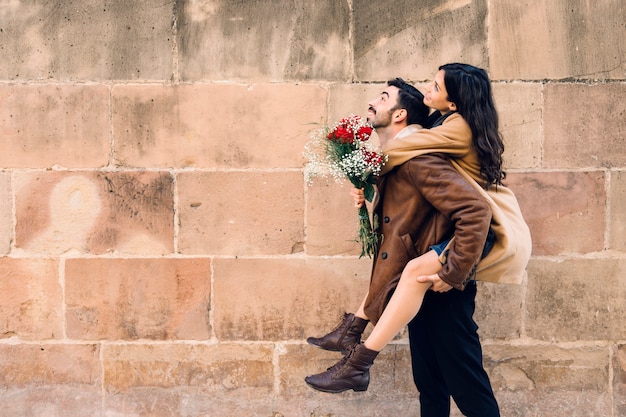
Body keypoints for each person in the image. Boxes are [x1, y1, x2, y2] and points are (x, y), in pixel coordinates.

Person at [306, 65, 531, 417]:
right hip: (436, 268)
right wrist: (367, 188)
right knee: (429, 380)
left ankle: (359, 362)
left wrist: (453, 273)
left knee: (467, 384)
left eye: (436, 85)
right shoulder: (439, 129)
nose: (429, 87)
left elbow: (471, 210)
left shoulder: (436, 143)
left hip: (453, 267)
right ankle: (353, 338)